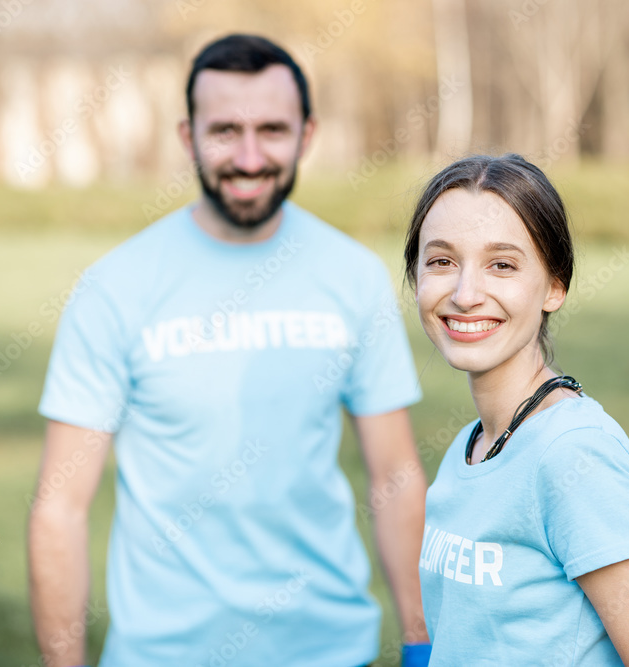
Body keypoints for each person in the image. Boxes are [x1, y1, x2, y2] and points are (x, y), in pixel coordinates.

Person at [29, 34, 431, 667]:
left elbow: (396, 477)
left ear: (307, 134)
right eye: (225, 131)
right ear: (188, 139)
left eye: (272, 129)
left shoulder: (353, 276)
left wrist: (420, 641)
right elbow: (60, 507)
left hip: (330, 651)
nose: (249, 157)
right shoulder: (115, 288)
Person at [404, 154, 629, 665]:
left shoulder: (573, 456)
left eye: (501, 264)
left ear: (554, 287)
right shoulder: (470, 446)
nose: (465, 293)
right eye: (441, 261)